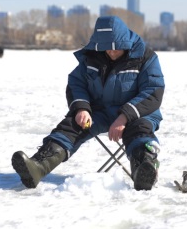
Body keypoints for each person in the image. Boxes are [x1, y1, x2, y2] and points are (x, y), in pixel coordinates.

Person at [12, 16, 165, 191]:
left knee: (139, 130)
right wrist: (81, 108)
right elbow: (76, 83)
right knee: (71, 126)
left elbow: (153, 91)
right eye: (107, 48)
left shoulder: (146, 58)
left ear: (125, 41)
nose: (111, 52)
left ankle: (144, 169)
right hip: (99, 111)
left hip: (137, 113)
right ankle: (38, 167)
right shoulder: (92, 56)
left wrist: (124, 117)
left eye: (116, 48)